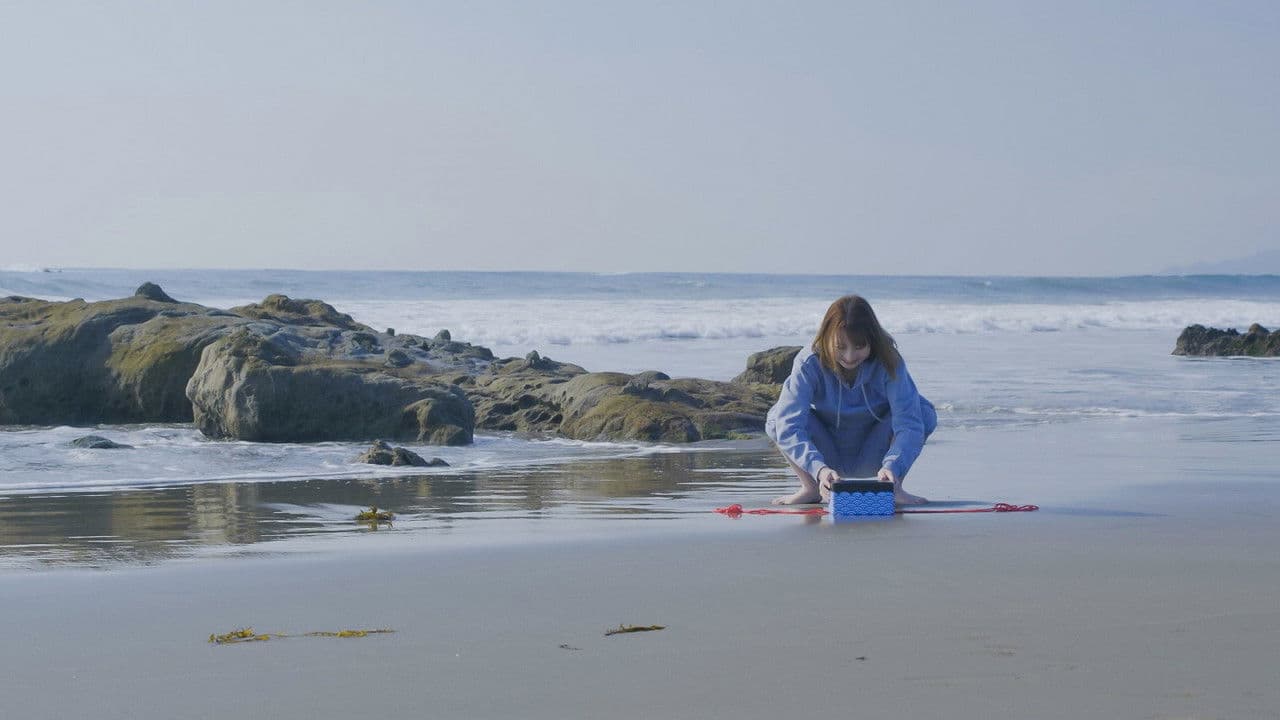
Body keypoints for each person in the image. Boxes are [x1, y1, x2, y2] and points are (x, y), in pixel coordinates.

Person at [765, 294, 937, 506]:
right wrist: (819, 469)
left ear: (872, 340)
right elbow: (789, 425)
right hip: (826, 456)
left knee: (923, 411)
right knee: (776, 417)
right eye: (840, 347)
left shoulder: (889, 361)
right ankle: (810, 488)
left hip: (877, 452)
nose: (849, 356)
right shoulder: (808, 362)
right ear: (827, 338)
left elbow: (908, 422)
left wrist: (893, 465)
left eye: (859, 347)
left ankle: (895, 487)